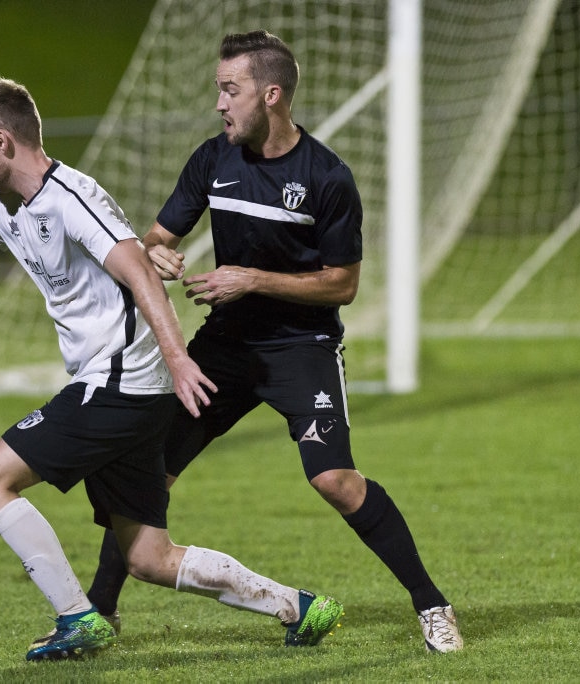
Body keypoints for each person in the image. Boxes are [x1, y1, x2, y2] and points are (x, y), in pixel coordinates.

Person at [0, 78, 344, 661]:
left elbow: (140, 271)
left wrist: (179, 358)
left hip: (120, 382)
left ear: (2, 140)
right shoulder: (4, 208)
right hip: (129, 390)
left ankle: (78, 617)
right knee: (148, 557)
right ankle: (298, 607)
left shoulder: (72, 198)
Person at [83, 31, 465, 654]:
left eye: (229, 90)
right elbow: (154, 237)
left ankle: (432, 604)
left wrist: (251, 278)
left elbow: (342, 285)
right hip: (226, 347)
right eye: (218, 90)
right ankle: (98, 612)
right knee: (147, 471)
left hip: (302, 347)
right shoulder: (212, 160)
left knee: (335, 480)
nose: (219, 104)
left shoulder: (327, 177)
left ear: (272, 94)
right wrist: (160, 254)